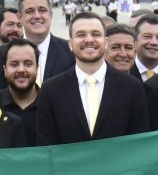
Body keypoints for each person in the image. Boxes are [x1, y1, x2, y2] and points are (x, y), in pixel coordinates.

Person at [35, 14, 150, 145]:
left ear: (106, 42)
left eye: (95, 34)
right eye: (81, 35)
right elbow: (47, 147)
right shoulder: (51, 90)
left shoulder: (133, 88)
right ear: (71, 44)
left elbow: (139, 144)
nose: (89, 40)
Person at [0, 39, 42, 127]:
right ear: (5, 69)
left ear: (37, 68)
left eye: (28, 64)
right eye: (14, 64)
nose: (21, 70)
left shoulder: (51, 104)